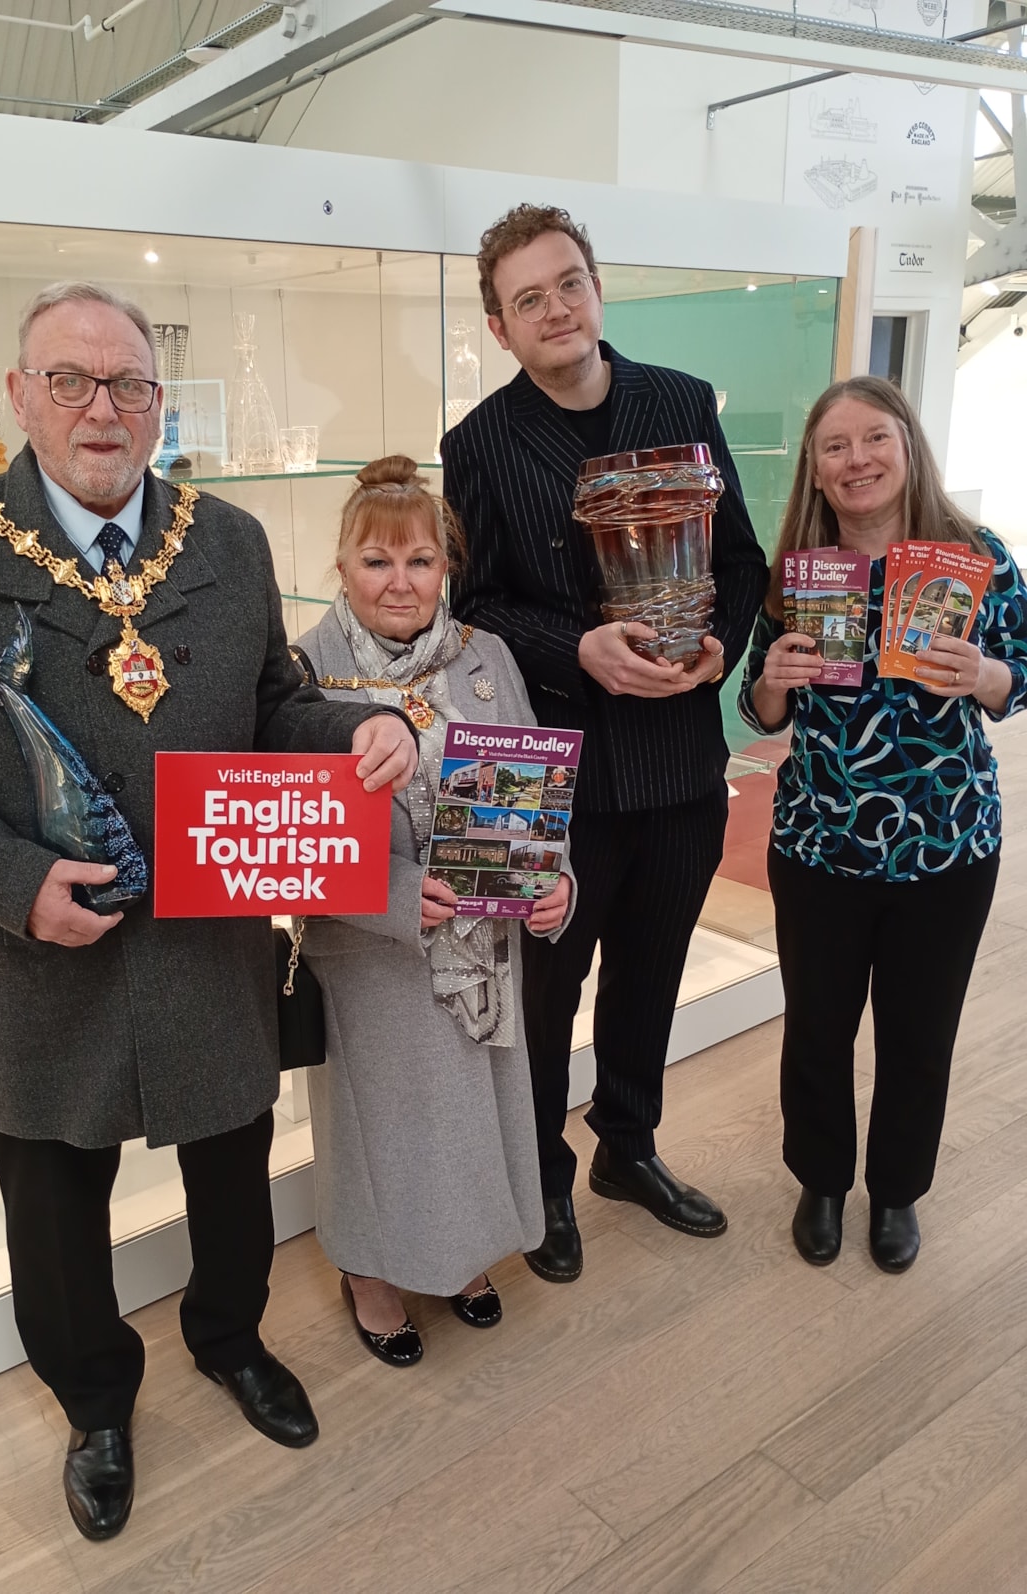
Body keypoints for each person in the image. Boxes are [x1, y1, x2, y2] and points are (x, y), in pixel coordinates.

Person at [0, 283, 417, 1540]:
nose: (103, 409)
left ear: (162, 402)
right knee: (54, 1212)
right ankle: (95, 1401)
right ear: (19, 395)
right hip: (41, 959)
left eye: (130, 386)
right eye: (71, 381)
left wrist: (358, 727)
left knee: (230, 1173)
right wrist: (6, 882)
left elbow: (275, 705)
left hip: (213, 951)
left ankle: (231, 1340)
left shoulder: (229, 541)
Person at [441, 204, 767, 1282]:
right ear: (500, 326)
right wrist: (581, 645)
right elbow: (478, 601)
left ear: (596, 287)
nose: (555, 308)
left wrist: (718, 643)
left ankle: (628, 1147)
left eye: (567, 282)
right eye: (527, 298)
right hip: (553, 767)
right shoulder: (478, 443)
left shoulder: (679, 402)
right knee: (547, 987)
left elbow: (744, 562)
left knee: (652, 971)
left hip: (678, 757)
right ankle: (540, 1175)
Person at [738, 375, 1027, 1272]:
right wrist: (776, 680)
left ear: (907, 446)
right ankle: (821, 1180)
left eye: (874, 439)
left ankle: (897, 1190)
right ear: (816, 473)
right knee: (817, 1026)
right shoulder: (797, 574)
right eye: (835, 447)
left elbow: (1022, 673)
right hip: (821, 840)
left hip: (947, 843)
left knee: (919, 1030)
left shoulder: (976, 557)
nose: (857, 459)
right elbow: (759, 711)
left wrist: (982, 677)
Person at [293, 456, 574, 1363]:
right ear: (340, 567)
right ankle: (372, 1271)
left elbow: (535, 793)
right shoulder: (306, 673)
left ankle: (460, 1252)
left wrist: (554, 880)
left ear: (445, 568)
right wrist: (395, 896)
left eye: (420, 561)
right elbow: (294, 842)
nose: (400, 582)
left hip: (483, 944)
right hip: (371, 953)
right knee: (383, 1123)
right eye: (377, 562)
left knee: (476, 1112)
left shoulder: (483, 657)